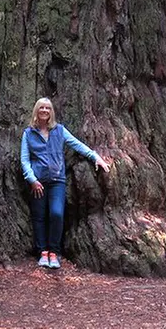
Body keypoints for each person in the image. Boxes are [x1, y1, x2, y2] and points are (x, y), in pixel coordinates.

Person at [20, 97, 110, 269]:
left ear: (51, 112)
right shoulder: (28, 133)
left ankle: (54, 251)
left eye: (48, 108)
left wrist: (95, 156)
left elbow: (77, 145)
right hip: (37, 182)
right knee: (39, 217)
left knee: (56, 214)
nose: (45, 111)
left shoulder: (59, 130)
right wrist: (32, 179)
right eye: (42, 108)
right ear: (36, 111)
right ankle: (42, 252)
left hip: (56, 181)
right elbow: (24, 160)